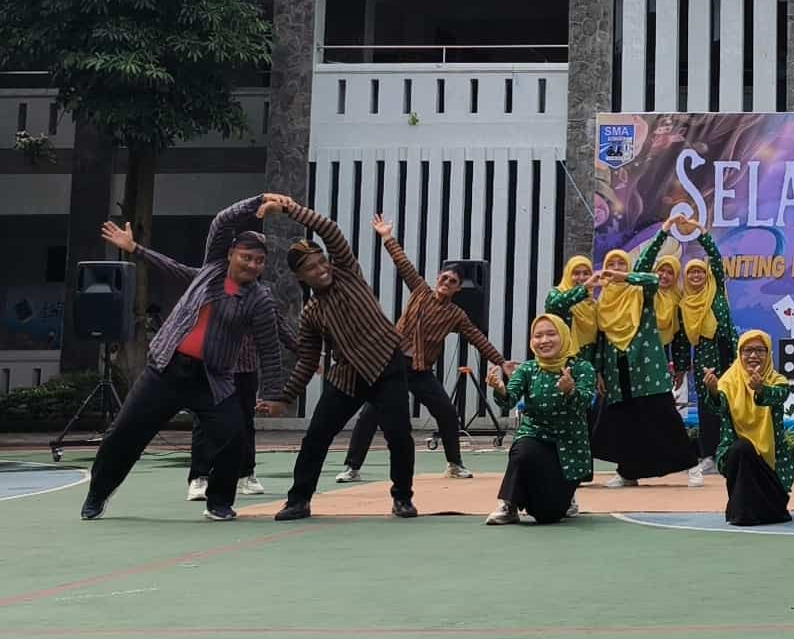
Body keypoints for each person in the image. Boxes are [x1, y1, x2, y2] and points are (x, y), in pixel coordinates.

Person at [79, 196, 287, 522]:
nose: (252, 265)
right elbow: (222, 220)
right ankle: (98, 494)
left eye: (259, 261)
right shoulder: (211, 269)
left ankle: (219, 502)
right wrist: (260, 202)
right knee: (124, 433)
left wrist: (273, 394)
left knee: (233, 437)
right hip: (165, 369)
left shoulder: (259, 299)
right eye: (246, 257)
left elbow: (269, 346)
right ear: (231, 254)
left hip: (212, 379)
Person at [257, 198, 420, 520]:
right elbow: (306, 359)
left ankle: (402, 497)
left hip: (387, 364)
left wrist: (289, 209)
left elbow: (329, 229)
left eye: (321, 263)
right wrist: (283, 400)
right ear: (301, 278)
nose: (320, 270)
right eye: (310, 269)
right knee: (316, 436)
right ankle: (298, 500)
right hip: (347, 376)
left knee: (399, 435)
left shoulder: (348, 273)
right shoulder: (311, 313)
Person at [335, 215, 504, 484]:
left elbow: (477, 339)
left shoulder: (456, 315)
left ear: (458, 288)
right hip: (392, 363)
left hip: (420, 370)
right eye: (445, 278)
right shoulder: (420, 291)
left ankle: (454, 464)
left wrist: (502, 362)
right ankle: (352, 467)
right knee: (370, 413)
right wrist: (387, 237)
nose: (447, 283)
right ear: (438, 277)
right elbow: (403, 264)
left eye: (453, 282)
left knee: (447, 413)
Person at [588, 246, 697, 486]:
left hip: (647, 370)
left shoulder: (640, 293)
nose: (615, 270)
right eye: (612, 265)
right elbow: (600, 339)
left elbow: (653, 278)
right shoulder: (603, 300)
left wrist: (625, 277)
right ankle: (628, 471)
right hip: (617, 369)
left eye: (621, 265)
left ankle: (692, 466)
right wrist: (598, 371)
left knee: (663, 417)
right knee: (624, 421)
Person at [485, 315, 596, 525]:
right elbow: (509, 400)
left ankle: (564, 495)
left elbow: (585, 403)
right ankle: (509, 505)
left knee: (548, 515)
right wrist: (500, 389)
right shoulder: (528, 369)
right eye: (538, 336)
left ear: (564, 336)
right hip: (535, 435)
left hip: (569, 444)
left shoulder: (582, 368)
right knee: (522, 452)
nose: (544, 340)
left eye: (551, 334)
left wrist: (570, 390)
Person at [656, 216, 736, 488]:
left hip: (729, 352)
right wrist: (680, 368)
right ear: (685, 277)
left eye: (700, 272)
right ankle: (709, 455)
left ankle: (733, 454)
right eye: (691, 273)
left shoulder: (716, 290)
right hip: (703, 357)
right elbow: (679, 340)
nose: (697, 276)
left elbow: (713, 256)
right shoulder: (684, 302)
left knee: (733, 401)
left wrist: (701, 233)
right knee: (707, 405)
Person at [703, 328, 794, 526]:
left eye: (760, 350)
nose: (753, 355)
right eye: (747, 350)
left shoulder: (777, 381)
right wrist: (712, 391)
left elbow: (779, 396)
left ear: (768, 353)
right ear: (739, 353)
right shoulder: (727, 383)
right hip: (737, 457)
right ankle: (741, 510)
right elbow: (718, 408)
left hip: (771, 461)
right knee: (741, 449)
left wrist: (761, 389)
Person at [545, 254, 604, 476]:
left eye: (586, 273)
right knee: (561, 415)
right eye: (576, 273)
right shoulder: (557, 294)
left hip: (585, 365)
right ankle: (555, 467)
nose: (581, 277)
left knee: (585, 418)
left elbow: (599, 341)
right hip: (562, 364)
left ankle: (581, 472)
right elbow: (555, 306)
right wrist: (586, 287)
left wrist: (598, 371)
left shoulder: (593, 305)